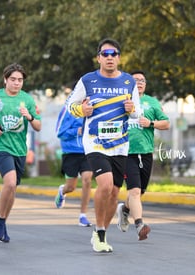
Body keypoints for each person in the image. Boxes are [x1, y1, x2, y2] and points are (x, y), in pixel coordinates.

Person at [66, 38, 141, 253]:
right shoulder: (87, 80)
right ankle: (99, 231)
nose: (109, 58)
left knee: (115, 192)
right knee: (106, 185)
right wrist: (82, 111)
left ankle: (101, 234)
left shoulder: (129, 82)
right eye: (105, 54)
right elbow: (70, 105)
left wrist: (131, 109)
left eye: (114, 54)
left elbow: (138, 112)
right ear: (98, 57)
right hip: (95, 141)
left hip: (120, 144)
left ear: (119, 57)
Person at [0, 63, 41, 243]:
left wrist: (30, 117)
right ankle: (1, 221)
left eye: (20, 80)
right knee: (10, 183)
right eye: (13, 79)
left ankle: (1, 219)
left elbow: (38, 126)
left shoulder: (27, 100)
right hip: (0, 147)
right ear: (5, 80)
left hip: (19, 149)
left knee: (12, 189)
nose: (16, 83)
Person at [116, 70, 170, 240]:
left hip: (146, 153)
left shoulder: (152, 102)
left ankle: (124, 209)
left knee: (140, 192)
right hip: (126, 153)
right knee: (135, 191)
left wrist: (151, 123)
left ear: (145, 84)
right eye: (135, 80)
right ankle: (139, 224)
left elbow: (166, 123)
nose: (139, 82)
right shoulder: (121, 101)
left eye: (142, 80)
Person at [54, 105, 93, 227]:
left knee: (87, 179)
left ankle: (83, 215)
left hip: (88, 151)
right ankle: (62, 191)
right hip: (71, 152)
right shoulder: (67, 110)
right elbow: (59, 132)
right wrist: (76, 131)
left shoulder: (94, 108)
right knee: (71, 187)